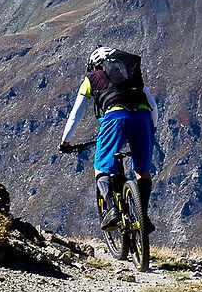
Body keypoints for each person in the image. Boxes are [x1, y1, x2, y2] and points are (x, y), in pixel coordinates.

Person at [57, 46, 155, 250]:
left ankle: (111, 209)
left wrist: (65, 141)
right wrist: (152, 126)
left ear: (94, 64)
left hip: (115, 118)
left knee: (101, 166)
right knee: (142, 172)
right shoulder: (132, 74)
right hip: (143, 117)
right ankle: (142, 216)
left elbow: (76, 113)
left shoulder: (92, 77)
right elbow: (153, 104)